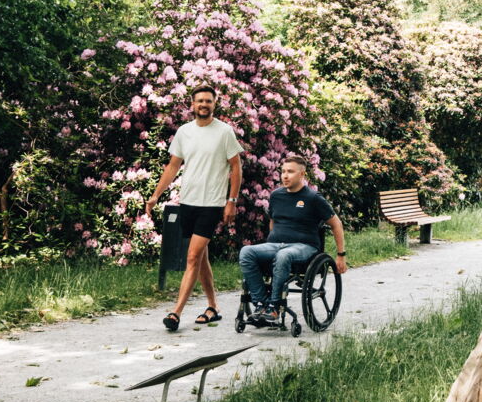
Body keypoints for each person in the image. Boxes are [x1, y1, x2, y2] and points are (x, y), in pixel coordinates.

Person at [145, 84, 243, 329]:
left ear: (214, 104)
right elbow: (172, 166)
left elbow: (236, 167)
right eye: (200, 100)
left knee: (191, 257)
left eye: (208, 101)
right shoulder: (184, 132)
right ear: (192, 104)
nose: (204, 104)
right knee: (201, 258)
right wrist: (156, 195)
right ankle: (213, 306)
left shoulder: (224, 132)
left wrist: (231, 201)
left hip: (211, 203)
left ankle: (176, 312)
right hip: (188, 201)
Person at [239, 155, 346, 326]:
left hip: (304, 247)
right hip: (276, 244)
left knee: (284, 255)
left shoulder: (313, 198)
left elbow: (336, 224)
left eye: (290, 172)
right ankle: (260, 303)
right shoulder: (276, 196)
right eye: (283, 172)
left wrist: (341, 254)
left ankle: (274, 306)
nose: (285, 176)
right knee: (246, 252)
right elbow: (272, 221)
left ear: (302, 174)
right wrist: (270, 243)